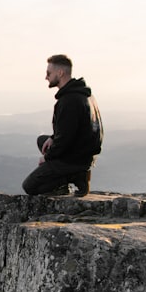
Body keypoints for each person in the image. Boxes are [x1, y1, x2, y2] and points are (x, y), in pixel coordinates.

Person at [22, 54, 103, 196]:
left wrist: (47, 158)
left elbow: (65, 139)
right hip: (83, 153)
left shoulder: (69, 101)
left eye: (48, 73)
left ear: (60, 73)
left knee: (30, 186)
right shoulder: (84, 94)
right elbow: (72, 127)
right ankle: (72, 174)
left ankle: (72, 177)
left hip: (75, 158)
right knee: (42, 141)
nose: (46, 77)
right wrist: (53, 137)